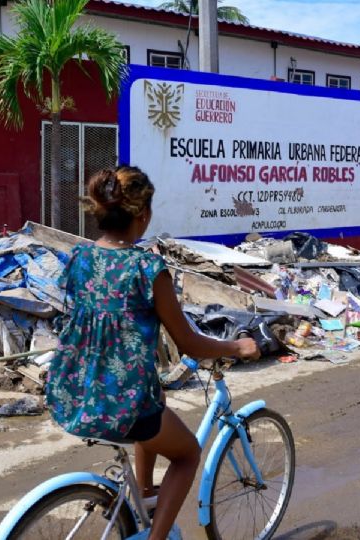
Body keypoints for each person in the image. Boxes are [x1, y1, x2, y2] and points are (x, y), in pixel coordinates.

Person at [45, 166, 260, 540]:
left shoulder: (81, 258)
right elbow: (190, 343)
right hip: (123, 403)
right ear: (142, 215)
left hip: (77, 391)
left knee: (155, 399)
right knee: (188, 454)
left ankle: (144, 493)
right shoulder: (147, 268)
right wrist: (236, 347)